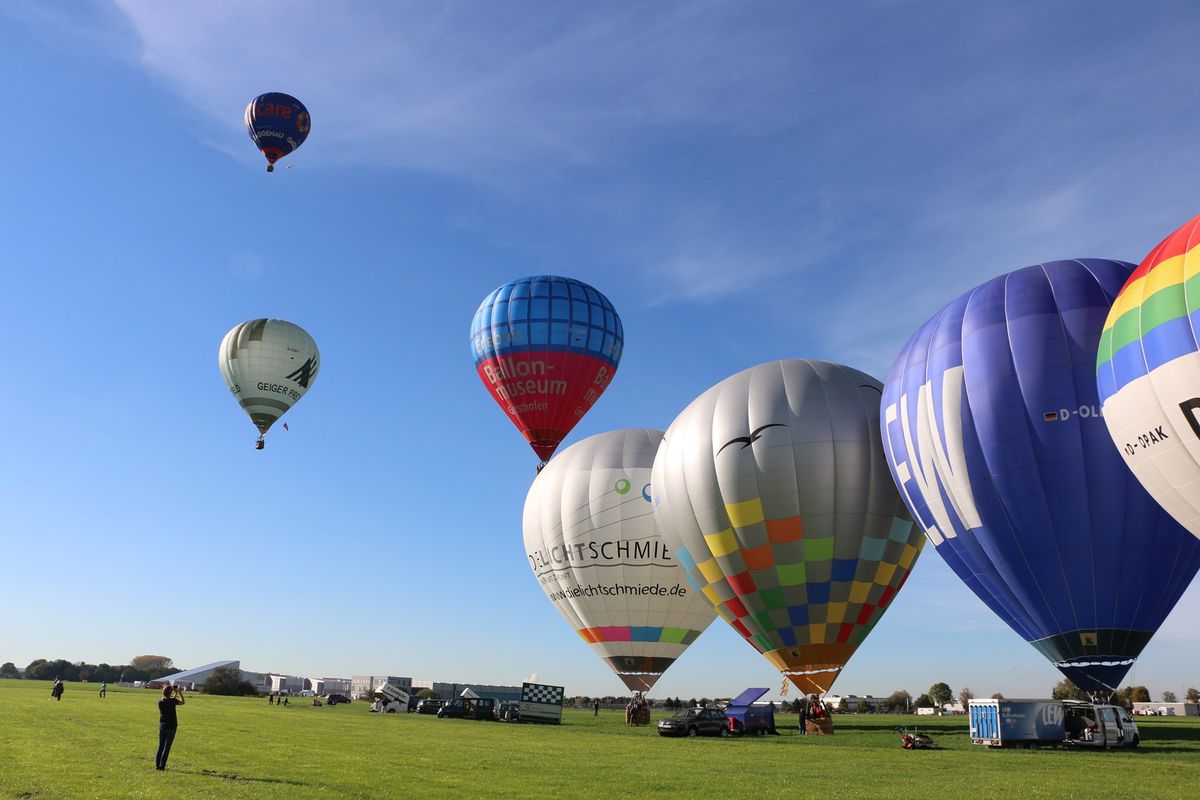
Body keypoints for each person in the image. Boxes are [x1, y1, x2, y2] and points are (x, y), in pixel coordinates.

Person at [155, 684, 185, 771]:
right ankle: (162, 766)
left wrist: (173, 693)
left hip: (163, 726)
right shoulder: (173, 701)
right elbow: (182, 702)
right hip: (171, 726)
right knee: (167, 747)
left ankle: (157, 766)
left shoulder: (160, 702)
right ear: (170, 693)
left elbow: (168, 698)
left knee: (161, 746)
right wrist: (179, 693)